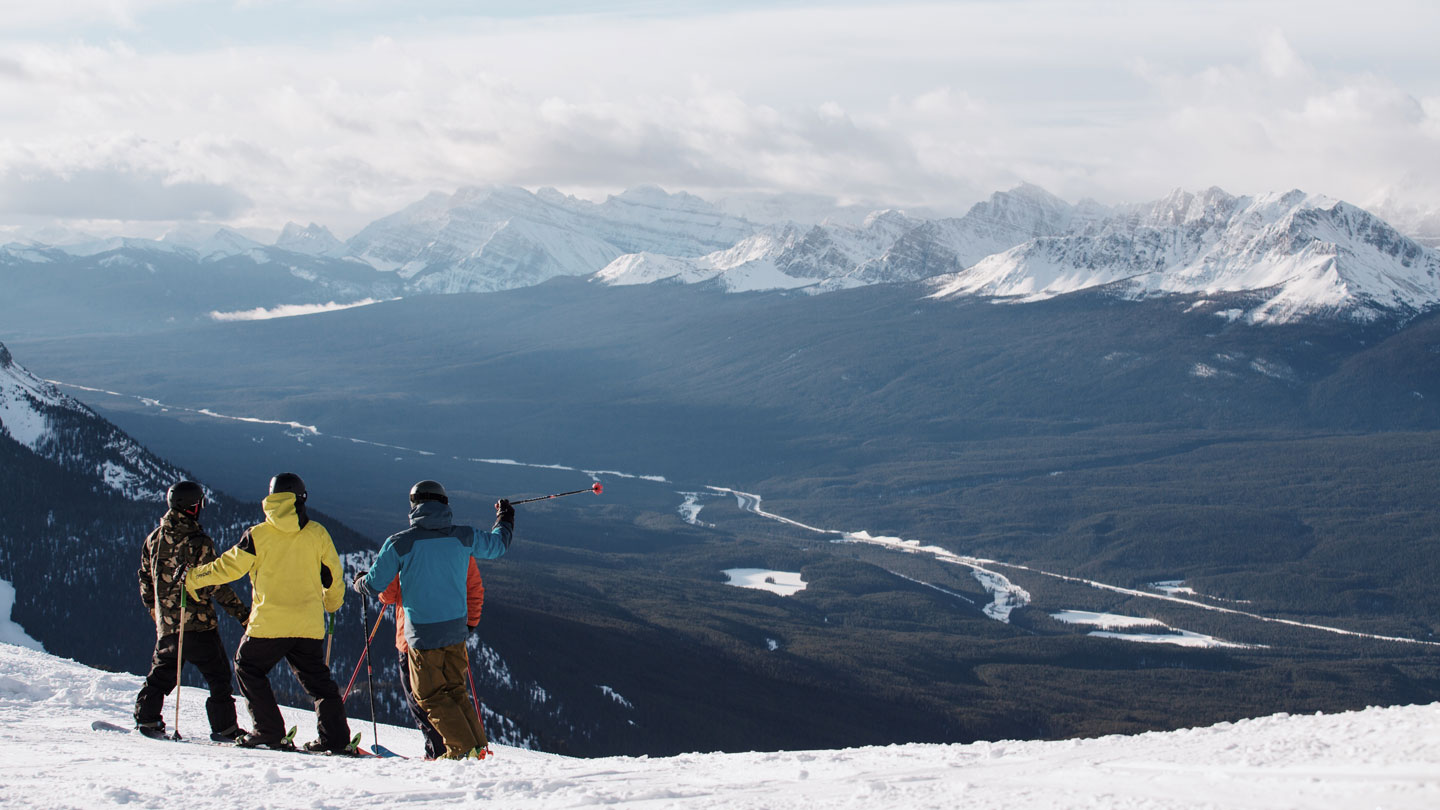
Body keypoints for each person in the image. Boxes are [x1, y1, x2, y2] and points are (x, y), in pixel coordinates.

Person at [186, 472, 353, 753]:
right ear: (301, 499)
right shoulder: (317, 533)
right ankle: (335, 739)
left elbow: (227, 568)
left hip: (269, 625)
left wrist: (193, 578)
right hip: (308, 626)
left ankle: (268, 730)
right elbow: (333, 578)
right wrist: (332, 604)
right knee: (319, 684)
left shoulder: (258, 535)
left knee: (248, 668)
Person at [353, 479, 513, 760]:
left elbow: (377, 586)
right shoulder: (462, 537)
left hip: (422, 636)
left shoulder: (400, 543)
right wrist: (505, 517)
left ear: (414, 506)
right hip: (455, 631)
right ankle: (476, 750)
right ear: (444, 505)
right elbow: (498, 545)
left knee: (429, 696)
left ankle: (461, 752)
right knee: (455, 692)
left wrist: (359, 583)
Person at [134, 480, 250, 741]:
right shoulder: (199, 542)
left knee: (162, 673)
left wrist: (153, 608)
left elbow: (144, 577)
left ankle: (146, 718)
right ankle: (224, 728)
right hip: (198, 624)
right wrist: (242, 613)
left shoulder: (153, 538)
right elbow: (215, 584)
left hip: (167, 624)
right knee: (218, 676)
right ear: (192, 507)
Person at [377, 555, 485, 760]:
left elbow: (388, 594)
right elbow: (474, 589)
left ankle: (443, 752)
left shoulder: (404, 546)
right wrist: (470, 624)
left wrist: (371, 580)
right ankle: (474, 749)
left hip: (414, 640)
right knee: (454, 693)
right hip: (452, 638)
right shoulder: (459, 545)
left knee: (424, 700)